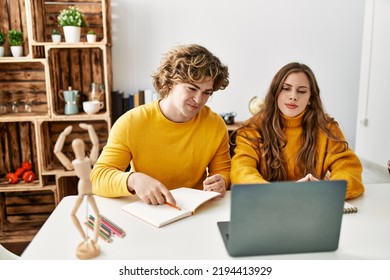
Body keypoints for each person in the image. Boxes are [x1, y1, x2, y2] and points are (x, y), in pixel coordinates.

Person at [91, 44, 231, 206]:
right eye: (192, 88)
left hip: (194, 210)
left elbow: (223, 171)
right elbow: (98, 178)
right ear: (170, 83)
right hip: (147, 209)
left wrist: (221, 181)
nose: (199, 99)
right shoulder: (131, 123)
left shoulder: (215, 124)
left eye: (207, 92)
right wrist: (133, 179)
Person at [231, 62, 364, 199]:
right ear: (276, 92)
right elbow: (241, 171)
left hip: (311, 204)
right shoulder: (252, 128)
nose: (293, 96)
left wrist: (326, 191)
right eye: (286, 88)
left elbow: (349, 169)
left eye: (301, 91)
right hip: (265, 204)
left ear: (310, 98)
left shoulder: (327, 128)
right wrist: (277, 194)